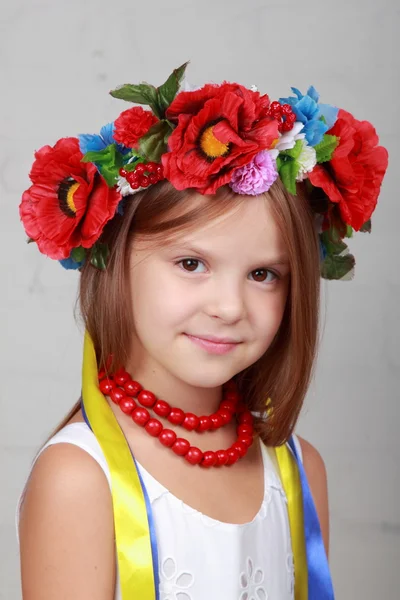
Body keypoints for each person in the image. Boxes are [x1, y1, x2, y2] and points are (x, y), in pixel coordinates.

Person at [16, 63, 388, 600]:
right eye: (192, 264)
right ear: (116, 260)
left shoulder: (299, 471)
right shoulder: (79, 480)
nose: (229, 307)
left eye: (263, 274)